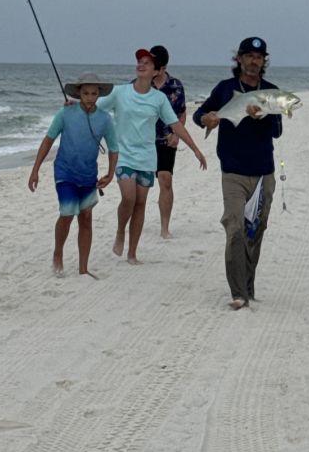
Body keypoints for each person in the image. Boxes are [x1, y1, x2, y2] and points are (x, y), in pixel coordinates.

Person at [193, 36, 282, 310]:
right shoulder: (225, 88)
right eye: (249, 56)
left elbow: (277, 131)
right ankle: (238, 292)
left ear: (263, 61)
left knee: (256, 231)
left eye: (259, 57)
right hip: (232, 171)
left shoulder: (271, 91)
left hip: (263, 173)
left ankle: (248, 285)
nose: (254, 61)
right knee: (234, 229)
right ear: (239, 59)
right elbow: (200, 114)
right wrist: (206, 119)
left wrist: (263, 116)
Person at [97, 49, 207, 264]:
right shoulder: (120, 92)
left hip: (147, 157)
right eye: (140, 61)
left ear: (156, 71)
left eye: (147, 63)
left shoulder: (159, 99)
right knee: (129, 198)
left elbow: (176, 124)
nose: (141, 64)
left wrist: (195, 149)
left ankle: (132, 253)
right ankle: (120, 231)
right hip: (123, 154)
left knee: (140, 204)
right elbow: (93, 107)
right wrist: (74, 107)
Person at [27, 72, 119, 277]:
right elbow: (48, 140)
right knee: (67, 213)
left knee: (86, 217)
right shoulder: (65, 113)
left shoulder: (105, 119)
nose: (89, 97)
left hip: (88, 174)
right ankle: (58, 252)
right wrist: (35, 170)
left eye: (94, 93)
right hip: (65, 171)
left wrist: (110, 173)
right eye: (85, 93)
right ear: (79, 93)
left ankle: (83, 267)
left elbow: (114, 148)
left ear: (99, 94)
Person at [150, 44, 186, 238]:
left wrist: (177, 135)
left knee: (165, 179)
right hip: (142, 142)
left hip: (166, 140)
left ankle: (165, 227)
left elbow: (182, 113)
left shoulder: (175, 86)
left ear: (163, 67)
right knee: (139, 185)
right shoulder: (138, 84)